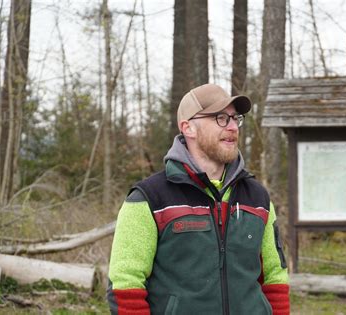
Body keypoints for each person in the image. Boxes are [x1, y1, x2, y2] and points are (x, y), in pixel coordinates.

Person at [107, 83, 290, 315]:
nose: (233, 126)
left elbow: (275, 278)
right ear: (188, 128)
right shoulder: (149, 199)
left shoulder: (257, 197)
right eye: (221, 118)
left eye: (235, 118)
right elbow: (125, 285)